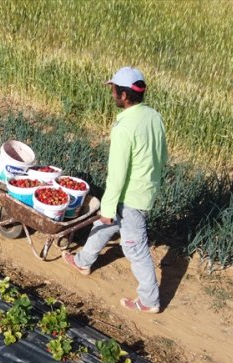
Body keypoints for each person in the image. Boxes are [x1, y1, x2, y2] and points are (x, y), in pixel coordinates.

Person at [63, 66, 168, 314]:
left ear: (123, 95)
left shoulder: (124, 129)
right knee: (106, 226)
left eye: (113, 90)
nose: (111, 95)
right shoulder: (153, 116)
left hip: (132, 196)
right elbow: (163, 155)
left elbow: (117, 175)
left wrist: (108, 208)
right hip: (147, 188)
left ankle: (150, 300)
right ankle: (83, 261)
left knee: (135, 248)